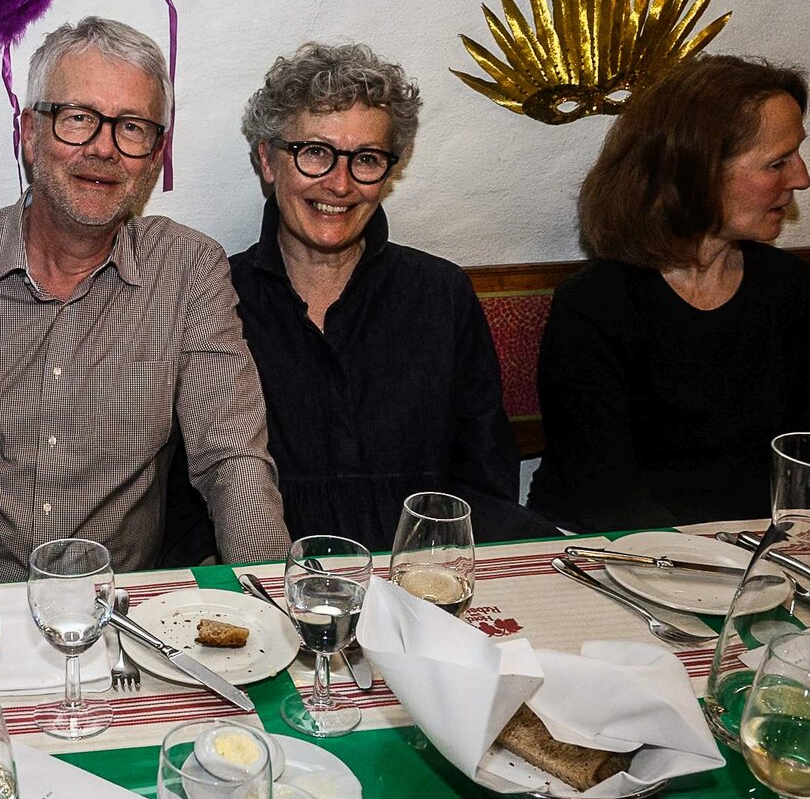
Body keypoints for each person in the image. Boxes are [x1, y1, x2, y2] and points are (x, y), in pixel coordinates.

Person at [0, 17, 289, 588]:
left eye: (131, 127)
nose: (103, 148)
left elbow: (231, 457)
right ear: (30, 133)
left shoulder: (188, 269)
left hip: (121, 616)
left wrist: (270, 596)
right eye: (79, 118)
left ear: (156, 154)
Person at [228, 42, 527, 553]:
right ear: (267, 160)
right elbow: (191, 496)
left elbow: (485, 481)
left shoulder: (441, 294)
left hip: (422, 575)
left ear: (388, 171)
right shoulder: (218, 297)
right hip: (271, 577)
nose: (340, 184)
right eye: (315, 152)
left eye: (366, 159)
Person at [528, 55, 810, 531]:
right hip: (615, 548)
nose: (801, 177)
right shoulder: (596, 305)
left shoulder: (791, 287)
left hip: (756, 543)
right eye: (777, 162)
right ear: (697, 171)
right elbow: (604, 495)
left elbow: (800, 458)